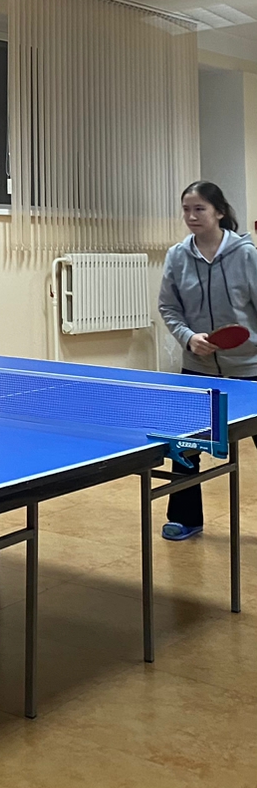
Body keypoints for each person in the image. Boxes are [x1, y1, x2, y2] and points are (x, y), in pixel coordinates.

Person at [158, 180, 257, 539]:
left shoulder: (246, 255)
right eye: (186, 209)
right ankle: (186, 518)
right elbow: (169, 307)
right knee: (186, 445)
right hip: (198, 368)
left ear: (219, 212)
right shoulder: (177, 256)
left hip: (249, 367)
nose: (191, 216)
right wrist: (188, 337)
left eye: (199, 208)